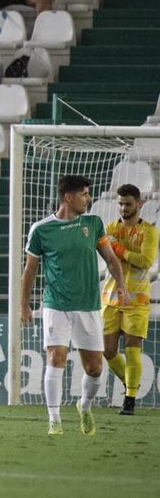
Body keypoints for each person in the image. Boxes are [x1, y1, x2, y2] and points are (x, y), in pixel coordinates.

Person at [20, 174, 128, 435]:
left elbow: (112, 260)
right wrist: (24, 304)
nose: (88, 199)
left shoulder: (93, 223)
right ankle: (54, 419)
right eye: (84, 194)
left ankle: (85, 406)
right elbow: (29, 270)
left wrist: (122, 285)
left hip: (89, 305)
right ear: (69, 197)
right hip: (56, 304)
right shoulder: (41, 230)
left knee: (95, 368)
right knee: (55, 357)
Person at [100, 184, 158, 416]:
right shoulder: (111, 227)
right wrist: (119, 250)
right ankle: (129, 383)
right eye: (121, 203)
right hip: (111, 297)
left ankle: (130, 399)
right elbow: (107, 254)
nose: (123, 208)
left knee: (133, 349)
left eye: (128, 204)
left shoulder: (150, 232)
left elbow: (145, 261)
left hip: (137, 298)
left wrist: (118, 249)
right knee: (108, 350)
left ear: (140, 204)